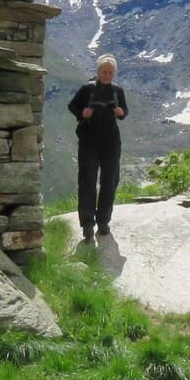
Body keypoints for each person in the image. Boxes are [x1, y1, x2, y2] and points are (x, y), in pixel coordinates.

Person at [67, 54, 128, 240]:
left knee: (109, 181)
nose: (107, 75)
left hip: (111, 142)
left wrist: (120, 112)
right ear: (98, 72)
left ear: (114, 73)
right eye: (104, 72)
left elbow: (125, 112)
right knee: (88, 181)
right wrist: (83, 113)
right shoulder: (87, 89)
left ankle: (103, 222)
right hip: (89, 140)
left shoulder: (118, 91)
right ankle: (87, 224)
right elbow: (72, 106)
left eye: (110, 72)